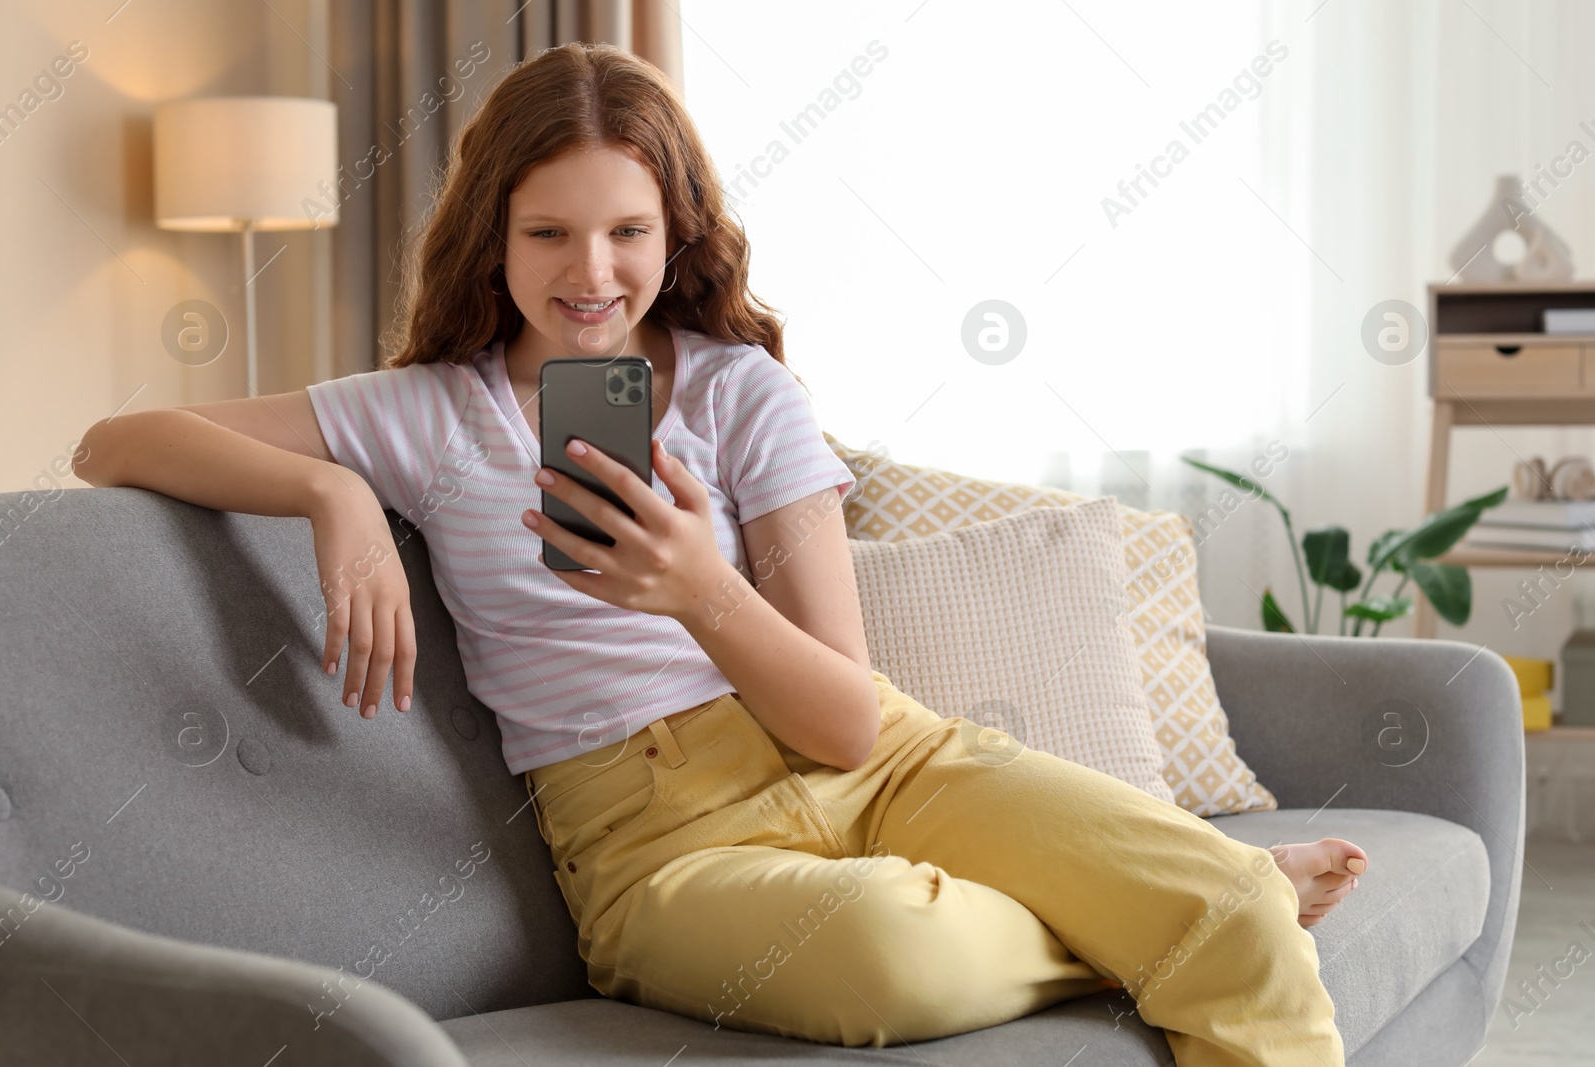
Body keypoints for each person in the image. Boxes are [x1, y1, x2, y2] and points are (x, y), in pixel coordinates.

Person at [77, 41, 1367, 1066]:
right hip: (658, 846)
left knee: (1239, 925)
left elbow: (850, 724)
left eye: (629, 231)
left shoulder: (743, 393)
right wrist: (330, 493)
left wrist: (702, 591)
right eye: (549, 233)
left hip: (879, 766)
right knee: (905, 957)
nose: (593, 273)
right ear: (494, 234)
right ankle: (1182, 893)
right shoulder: (422, 415)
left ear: (677, 231)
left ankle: (1202, 895)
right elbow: (115, 438)